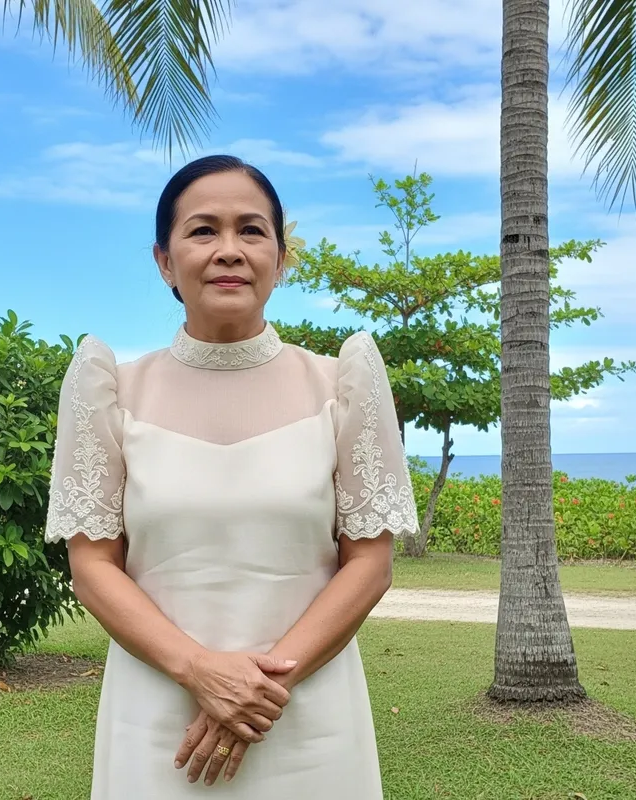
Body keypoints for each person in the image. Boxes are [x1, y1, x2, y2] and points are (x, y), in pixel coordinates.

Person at [44, 154, 419, 799]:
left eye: (251, 230)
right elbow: (94, 566)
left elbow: (370, 564)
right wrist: (199, 671)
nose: (229, 250)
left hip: (307, 715)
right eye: (202, 231)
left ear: (281, 255)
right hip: (158, 715)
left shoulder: (342, 382)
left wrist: (259, 689)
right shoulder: (109, 388)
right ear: (164, 261)